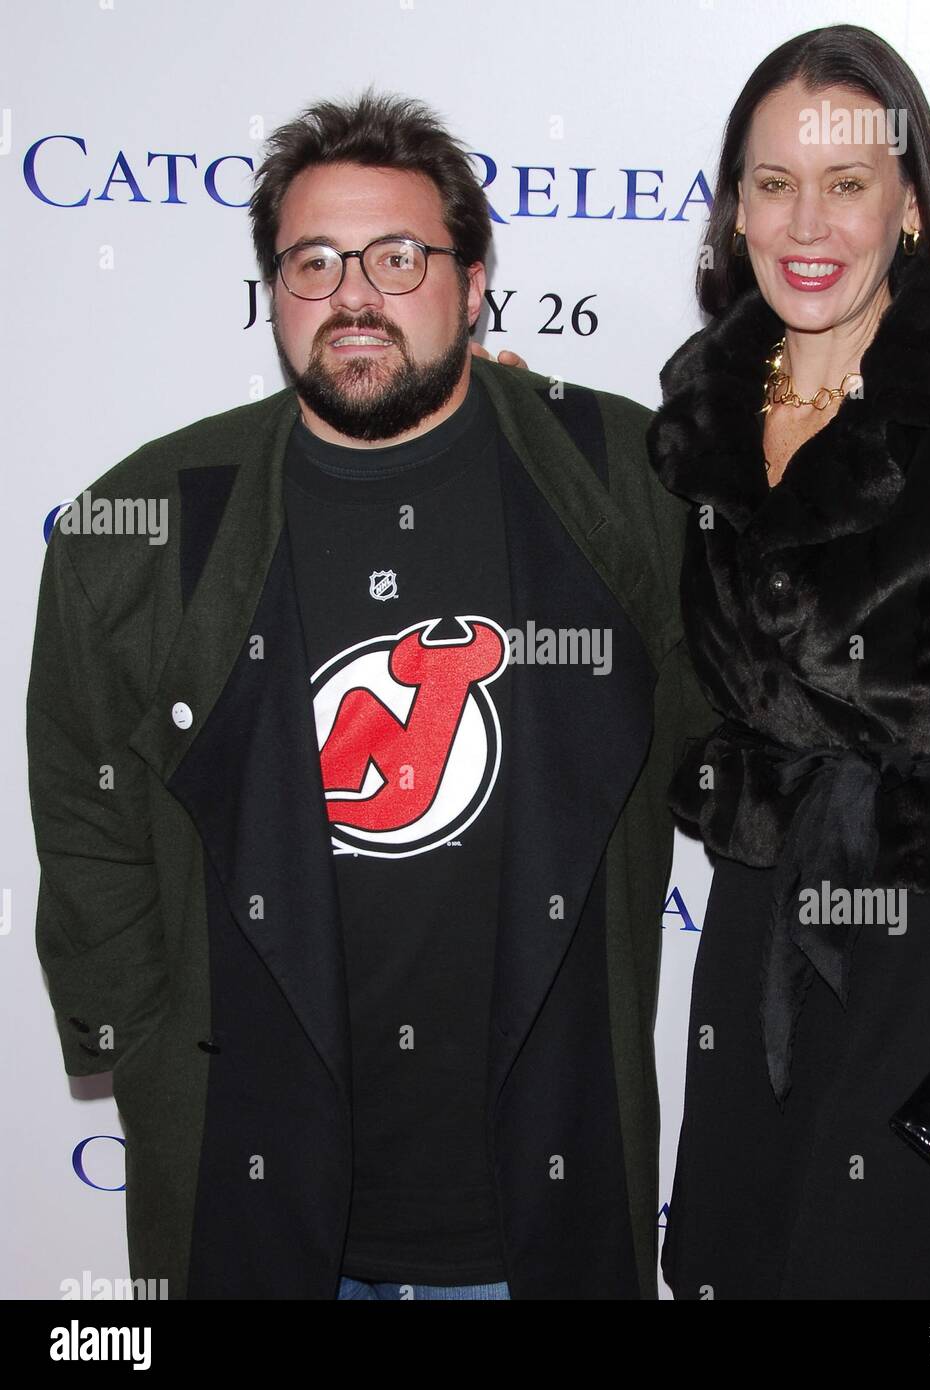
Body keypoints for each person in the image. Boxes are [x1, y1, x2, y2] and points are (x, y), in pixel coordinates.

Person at [27, 89, 708, 1300]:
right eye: (312, 262)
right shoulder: (141, 527)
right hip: (259, 1209)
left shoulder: (625, 485)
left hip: (536, 1208)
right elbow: (87, 814)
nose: (353, 295)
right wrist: (143, 1045)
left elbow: (743, 753)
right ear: (271, 293)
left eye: (398, 257)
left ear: (475, 278)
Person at [648, 24, 930, 1299]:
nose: (809, 219)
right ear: (734, 207)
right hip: (757, 922)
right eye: (773, 180)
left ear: (907, 205)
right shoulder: (695, 416)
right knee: (734, 1260)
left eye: (846, 182)